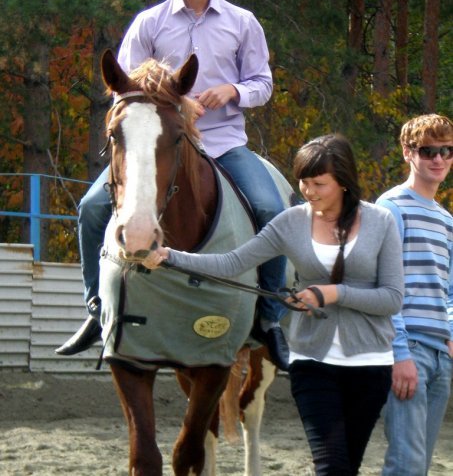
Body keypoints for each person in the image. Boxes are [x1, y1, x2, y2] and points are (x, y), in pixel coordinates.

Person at [55, 0, 290, 370]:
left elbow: (263, 83)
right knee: (90, 208)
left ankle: (269, 318)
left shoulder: (243, 22)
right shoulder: (150, 22)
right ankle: (95, 309)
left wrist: (233, 91)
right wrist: (177, 105)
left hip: (222, 144)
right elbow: (124, 89)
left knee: (271, 210)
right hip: (157, 147)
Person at [142, 133, 405, 476]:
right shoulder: (291, 221)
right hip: (312, 361)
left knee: (347, 467)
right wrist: (170, 257)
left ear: (343, 182)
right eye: (304, 182)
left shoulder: (380, 221)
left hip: (370, 365)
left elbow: (391, 298)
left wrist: (333, 294)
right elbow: (232, 262)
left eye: (319, 183)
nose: (308, 191)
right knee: (331, 467)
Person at [376, 114, 453, 476]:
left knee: (418, 466)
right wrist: (400, 354)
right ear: (408, 153)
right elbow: (383, 286)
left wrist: (450, 337)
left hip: (440, 356)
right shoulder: (390, 208)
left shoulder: (446, 220)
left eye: (446, 150)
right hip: (409, 352)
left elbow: (449, 288)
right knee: (405, 465)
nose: (438, 159)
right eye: (427, 151)